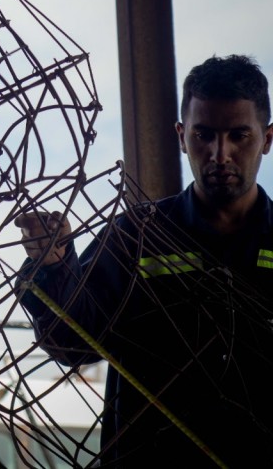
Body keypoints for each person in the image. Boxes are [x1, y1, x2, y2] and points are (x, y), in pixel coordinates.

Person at [16, 54, 273, 467]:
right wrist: (54, 264)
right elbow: (72, 343)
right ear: (180, 135)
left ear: (267, 138)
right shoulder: (137, 235)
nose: (219, 153)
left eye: (238, 135)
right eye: (203, 135)